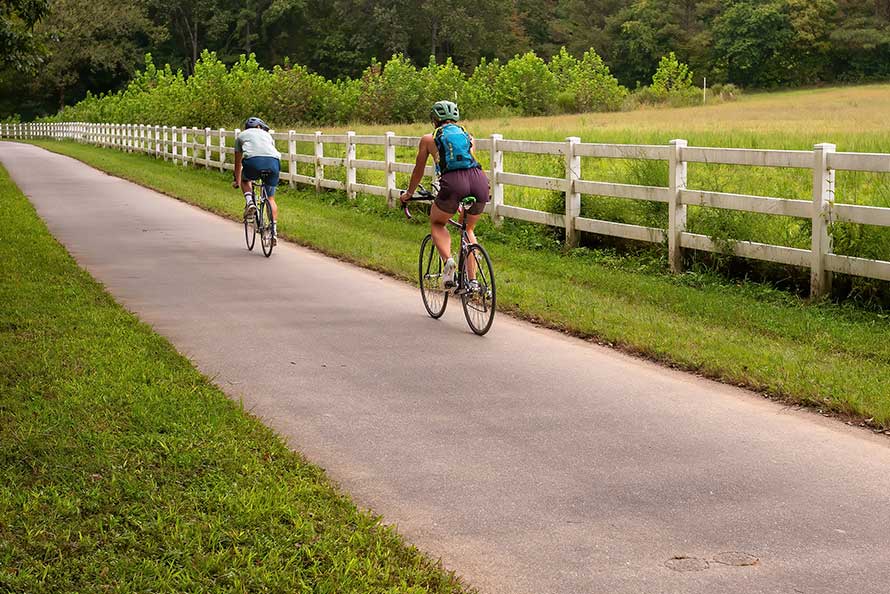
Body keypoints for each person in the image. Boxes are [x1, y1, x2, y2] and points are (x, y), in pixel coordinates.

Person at [400, 100, 490, 288]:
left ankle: (448, 260)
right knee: (468, 229)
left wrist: (409, 193)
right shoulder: (468, 136)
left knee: (437, 222)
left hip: (453, 183)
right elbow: (470, 161)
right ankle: (472, 281)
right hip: (479, 181)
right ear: (455, 118)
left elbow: (419, 170)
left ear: (434, 120)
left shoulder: (428, 139)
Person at [232, 116, 281, 244]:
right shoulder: (267, 136)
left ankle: (250, 202)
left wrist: (237, 181)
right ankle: (273, 231)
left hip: (253, 163)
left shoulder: (241, 136)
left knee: (245, 179)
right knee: (271, 199)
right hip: (273, 163)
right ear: (260, 127)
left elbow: (238, 164)